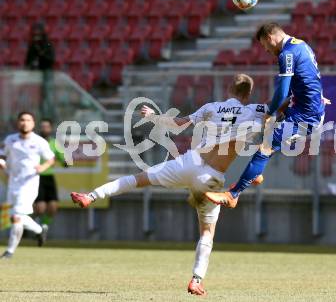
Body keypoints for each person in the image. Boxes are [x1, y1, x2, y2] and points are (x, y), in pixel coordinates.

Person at [70, 74, 268, 296]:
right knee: (207, 233)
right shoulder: (257, 110)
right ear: (248, 93)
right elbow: (280, 111)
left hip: (190, 162)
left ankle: (91, 196)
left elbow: (178, 124)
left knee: (137, 179)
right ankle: (196, 279)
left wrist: (154, 116)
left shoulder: (212, 106)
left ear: (228, 89)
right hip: (212, 176)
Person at [205, 22, 327, 208]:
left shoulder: (286, 54)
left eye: (265, 46)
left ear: (270, 38)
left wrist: (270, 113)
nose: (267, 51)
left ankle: (233, 194)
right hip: (302, 107)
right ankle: (255, 172)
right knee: (260, 121)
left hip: (306, 117)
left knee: (265, 146)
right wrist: (316, 96)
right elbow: (310, 76)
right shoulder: (301, 45)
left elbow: (284, 90)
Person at [0, 112, 55, 259]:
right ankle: (39, 230)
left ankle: (9, 251)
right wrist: (2, 163)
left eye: (28, 120)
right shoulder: (10, 140)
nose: (25, 123)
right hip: (13, 183)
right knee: (15, 216)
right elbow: (2, 155)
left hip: (29, 183)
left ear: (33, 123)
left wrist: (42, 168)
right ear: (18, 123)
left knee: (17, 216)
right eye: (22, 120)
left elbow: (51, 159)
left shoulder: (39, 141)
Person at [34, 119, 67, 229]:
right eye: (42, 126)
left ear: (50, 128)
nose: (44, 129)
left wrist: (66, 162)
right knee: (40, 208)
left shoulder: (54, 143)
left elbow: (62, 159)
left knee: (53, 206)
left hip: (49, 177)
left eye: (47, 127)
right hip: (36, 177)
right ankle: (35, 225)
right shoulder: (34, 142)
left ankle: (43, 226)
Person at [25, 22, 56, 120]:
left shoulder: (47, 44)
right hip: (35, 74)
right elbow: (28, 61)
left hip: (46, 72)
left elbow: (51, 60)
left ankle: (49, 117)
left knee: (48, 96)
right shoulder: (32, 46)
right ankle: (38, 116)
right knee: (38, 98)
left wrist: (41, 54)